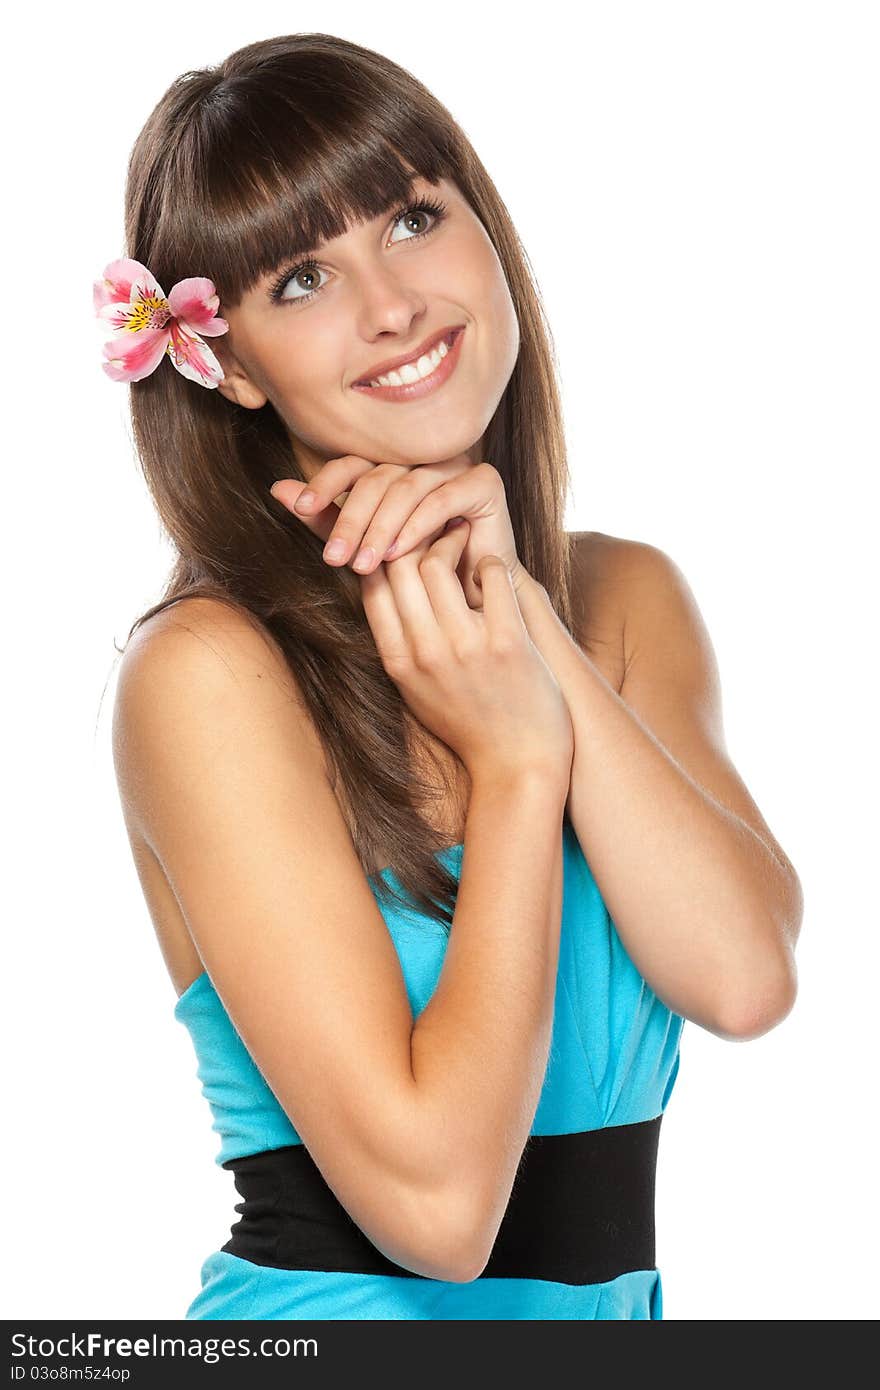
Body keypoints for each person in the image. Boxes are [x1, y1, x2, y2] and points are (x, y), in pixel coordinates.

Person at [103, 32, 802, 1321]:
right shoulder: (208, 673)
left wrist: (523, 619)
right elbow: (436, 1213)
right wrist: (519, 761)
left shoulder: (620, 598)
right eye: (302, 277)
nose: (392, 305)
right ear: (234, 366)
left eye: (414, 218)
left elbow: (746, 979)